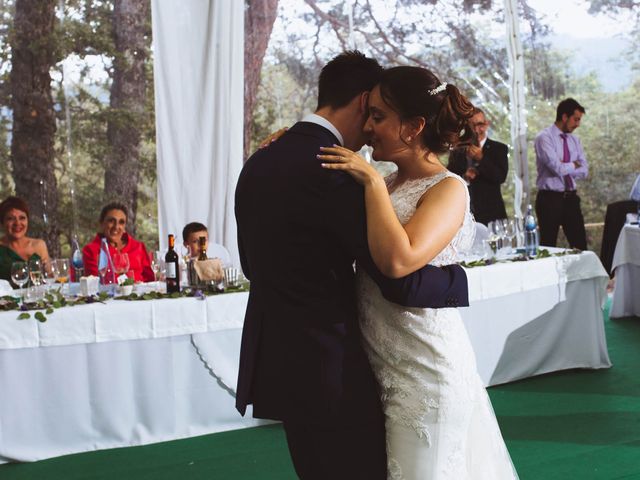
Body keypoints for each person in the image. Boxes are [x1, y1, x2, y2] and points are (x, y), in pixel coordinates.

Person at [235, 51, 469, 480]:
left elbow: (251, 264)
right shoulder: (338, 172)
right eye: (375, 112)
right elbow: (396, 277)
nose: (375, 125)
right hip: (334, 370)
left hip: (282, 366)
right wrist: (458, 281)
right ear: (364, 103)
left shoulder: (260, 160)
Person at [319, 66, 518, 479]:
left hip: (427, 374)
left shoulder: (447, 188)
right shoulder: (387, 182)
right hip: (382, 369)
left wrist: (372, 185)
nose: (367, 127)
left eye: (377, 116)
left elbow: (398, 260)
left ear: (413, 127)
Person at [534, 98, 588, 249]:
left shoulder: (575, 140)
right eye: (576, 119)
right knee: (548, 246)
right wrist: (574, 164)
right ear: (564, 117)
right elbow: (556, 168)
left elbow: (584, 170)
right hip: (550, 200)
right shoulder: (544, 138)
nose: (578, 124)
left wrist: (567, 166)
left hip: (571, 198)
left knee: (580, 245)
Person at [447, 107, 508, 225]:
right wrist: (465, 177)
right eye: (471, 126)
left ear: (486, 124)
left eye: (479, 125)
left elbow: (500, 177)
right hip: (464, 214)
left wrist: (481, 159)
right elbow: (449, 177)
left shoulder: (499, 148)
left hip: (492, 214)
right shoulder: (458, 150)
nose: (475, 130)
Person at [82, 202, 154, 282]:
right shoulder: (91, 250)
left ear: (124, 227)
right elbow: (95, 283)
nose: (116, 226)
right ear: (102, 223)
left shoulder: (138, 247)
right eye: (111, 221)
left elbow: (151, 279)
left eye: (121, 222)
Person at [0, 196, 50, 285]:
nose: (17, 223)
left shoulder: (39, 245)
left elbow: (50, 277)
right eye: (10, 219)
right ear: (2, 223)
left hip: (38, 297)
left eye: (22, 218)